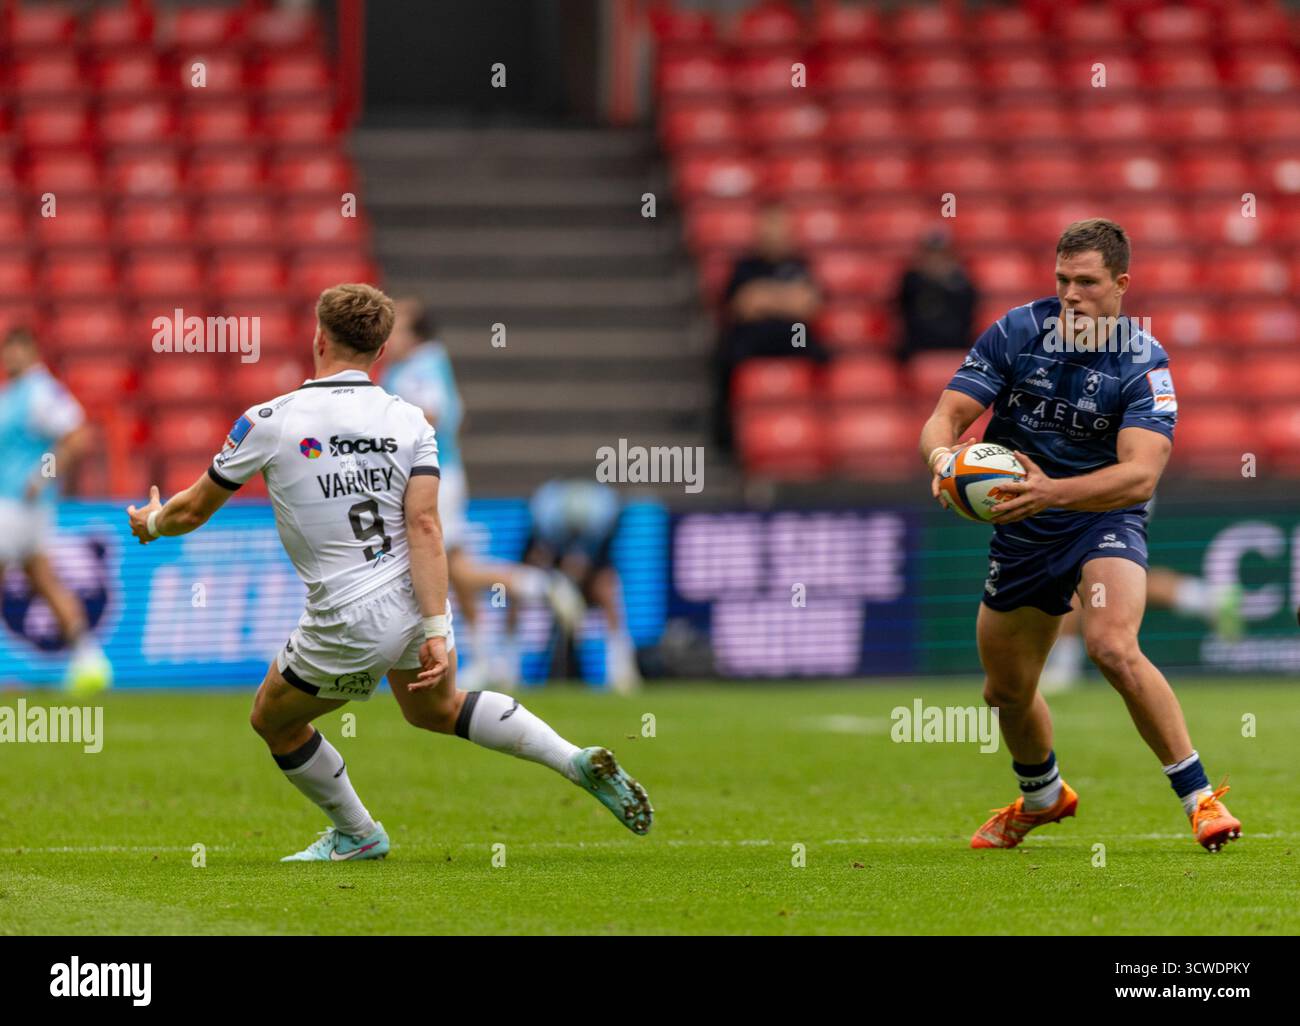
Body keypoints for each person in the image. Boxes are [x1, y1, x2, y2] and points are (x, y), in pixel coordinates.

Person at [126, 284, 652, 861]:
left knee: (272, 720)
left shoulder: (271, 420)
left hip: (347, 615)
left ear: (318, 338)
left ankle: (358, 833)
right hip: (412, 598)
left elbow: (193, 509)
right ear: (379, 353)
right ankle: (571, 760)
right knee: (435, 709)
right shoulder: (410, 422)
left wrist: (150, 523)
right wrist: (435, 629)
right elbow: (426, 526)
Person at [919, 219, 1241, 853]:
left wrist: (1052, 492)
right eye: (1062, 280)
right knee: (1004, 690)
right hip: (1022, 526)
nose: (1071, 294)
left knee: (1113, 646)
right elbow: (947, 415)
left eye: (1087, 283)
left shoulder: (1145, 364)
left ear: (1120, 285)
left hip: (1101, 517)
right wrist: (942, 462)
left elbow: (1140, 477)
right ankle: (1043, 797)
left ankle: (1200, 799)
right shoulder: (1017, 331)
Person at [380, 297, 584, 689]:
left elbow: (435, 414)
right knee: (452, 571)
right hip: (435, 475)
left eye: (398, 326)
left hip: (432, 478)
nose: (390, 334)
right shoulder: (418, 366)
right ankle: (487, 659)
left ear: (417, 333)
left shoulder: (420, 366)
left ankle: (542, 586)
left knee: (448, 569)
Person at [0, 328, 112, 693]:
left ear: (31, 351)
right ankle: (90, 661)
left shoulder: (39, 391)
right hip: (20, 508)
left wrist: (42, 475)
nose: (10, 357)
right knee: (43, 581)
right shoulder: (14, 393)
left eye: (16, 349)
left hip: (17, 505)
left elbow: (78, 435)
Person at [712, 202, 826, 451]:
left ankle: (821, 434)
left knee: (823, 355)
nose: (774, 234)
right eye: (769, 228)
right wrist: (787, 299)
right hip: (755, 340)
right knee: (725, 356)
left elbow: (808, 306)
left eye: (779, 228)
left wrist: (765, 298)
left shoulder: (800, 264)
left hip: (795, 338)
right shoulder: (745, 266)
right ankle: (727, 440)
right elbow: (743, 306)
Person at [524, 478, 640, 692]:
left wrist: (581, 571)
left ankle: (622, 668)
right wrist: (556, 578)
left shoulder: (604, 519)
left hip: (588, 580)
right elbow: (530, 560)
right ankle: (505, 664)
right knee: (516, 589)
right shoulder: (545, 518)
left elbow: (604, 566)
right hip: (551, 582)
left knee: (607, 587)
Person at [896, 228, 977, 362]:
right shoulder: (911, 281)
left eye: (941, 255)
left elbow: (967, 317)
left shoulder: (962, 283)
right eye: (931, 254)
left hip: (955, 348)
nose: (935, 260)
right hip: (918, 350)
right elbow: (901, 313)